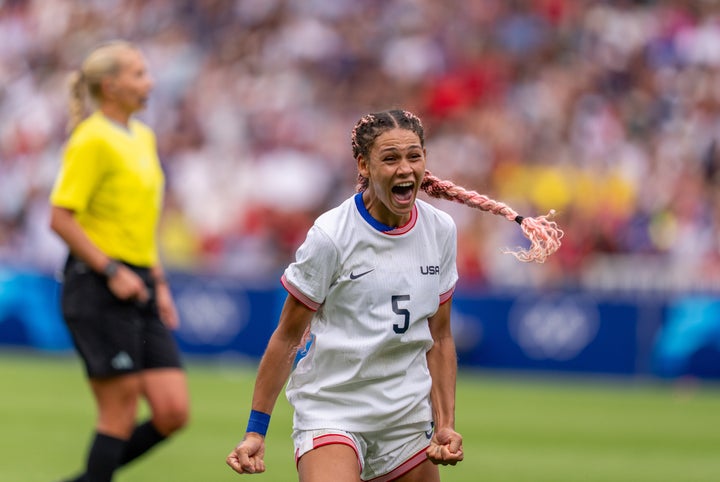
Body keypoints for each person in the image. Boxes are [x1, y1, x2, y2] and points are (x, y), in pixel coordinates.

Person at [226, 109, 562, 481]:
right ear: (364, 165)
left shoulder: (440, 230)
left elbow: (440, 336)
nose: (405, 169)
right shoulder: (331, 235)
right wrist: (256, 430)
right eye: (390, 158)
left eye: (414, 156)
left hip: (406, 416)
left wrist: (445, 424)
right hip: (333, 409)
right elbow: (287, 337)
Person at [49, 40, 189, 482]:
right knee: (119, 410)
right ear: (111, 86)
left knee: (172, 411)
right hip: (99, 283)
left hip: (141, 279)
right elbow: (59, 217)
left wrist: (159, 283)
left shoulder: (142, 136)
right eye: (139, 74)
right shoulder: (91, 138)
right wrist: (111, 269)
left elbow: (143, 222)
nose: (149, 82)